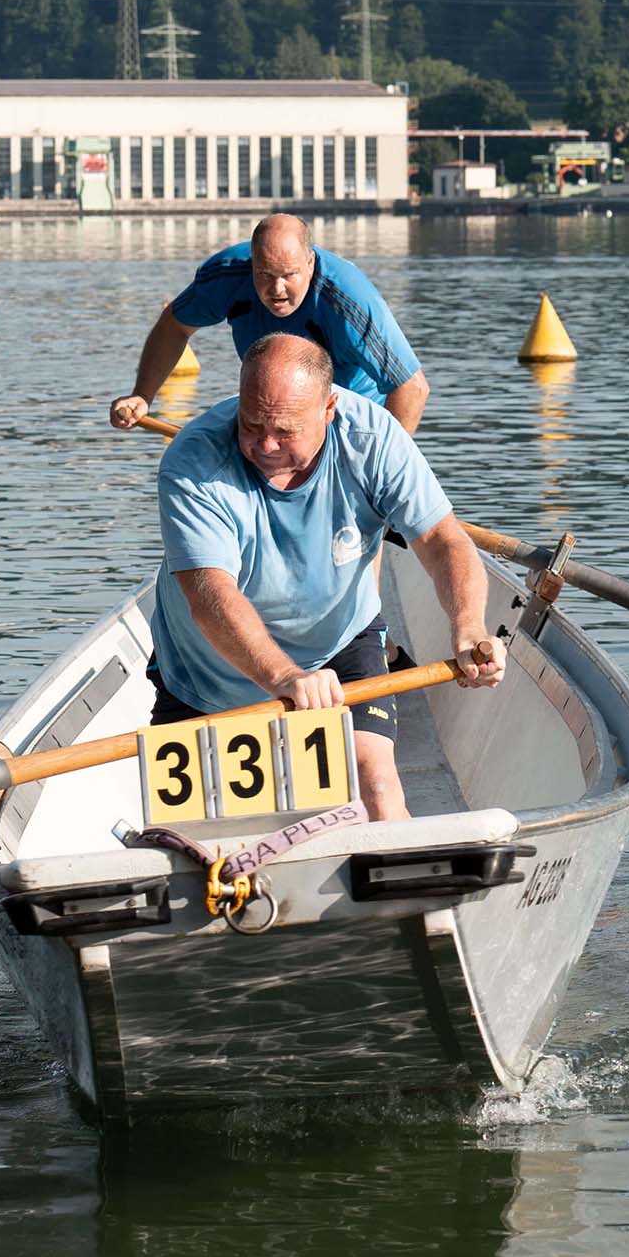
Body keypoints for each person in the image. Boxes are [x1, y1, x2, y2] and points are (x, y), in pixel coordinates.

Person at [146, 333, 503, 821]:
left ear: (329, 410)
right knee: (193, 835)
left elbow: (443, 540)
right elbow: (210, 597)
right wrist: (285, 676)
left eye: (284, 431)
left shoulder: (372, 439)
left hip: (341, 642)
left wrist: (467, 626)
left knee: (376, 783)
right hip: (207, 669)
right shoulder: (194, 462)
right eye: (251, 424)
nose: (265, 445)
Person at [111, 214, 428, 435]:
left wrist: (383, 471)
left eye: (289, 275)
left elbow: (411, 387)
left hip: (348, 417)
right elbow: (174, 326)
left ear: (310, 264)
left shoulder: (350, 301)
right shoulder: (226, 275)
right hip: (272, 415)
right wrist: (142, 396)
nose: (277, 289)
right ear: (251, 263)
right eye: (264, 274)